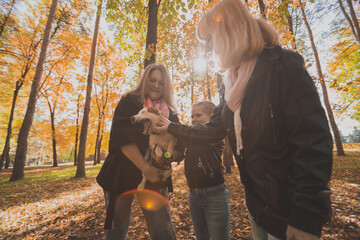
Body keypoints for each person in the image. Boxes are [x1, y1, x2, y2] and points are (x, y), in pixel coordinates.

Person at [156, 0, 333, 239]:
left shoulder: (282, 66)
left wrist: (306, 215)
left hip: (290, 211)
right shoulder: (228, 86)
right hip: (258, 209)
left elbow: (312, 142)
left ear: (229, 32)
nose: (209, 49)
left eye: (210, 39)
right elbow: (212, 131)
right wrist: (172, 129)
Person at [96, 63, 180, 240]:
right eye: (153, 80)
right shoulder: (129, 101)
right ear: (145, 80)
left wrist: (167, 156)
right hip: (121, 172)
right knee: (116, 230)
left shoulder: (170, 112)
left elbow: (178, 145)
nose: (157, 85)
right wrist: (145, 168)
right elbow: (122, 138)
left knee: (162, 230)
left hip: (155, 177)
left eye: (161, 82)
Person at [178, 101, 230, 240]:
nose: (194, 119)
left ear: (212, 117)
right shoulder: (192, 136)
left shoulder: (214, 136)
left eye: (198, 115)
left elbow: (200, 138)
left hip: (214, 194)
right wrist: (166, 155)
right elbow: (176, 154)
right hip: (194, 195)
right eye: (192, 116)